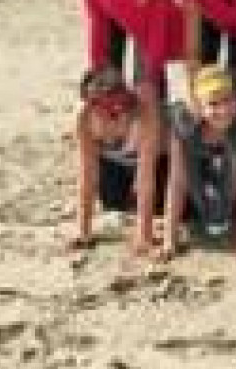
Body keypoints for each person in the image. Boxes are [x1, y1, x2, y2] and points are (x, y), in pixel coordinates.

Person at [160, 65, 236, 263]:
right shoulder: (183, 124)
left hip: (235, 184)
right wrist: (169, 240)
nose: (223, 110)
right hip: (200, 184)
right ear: (198, 107)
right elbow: (177, 183)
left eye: (228, 100)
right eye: (214, 104)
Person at [68, 66, 166, 257]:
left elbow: (146, 175)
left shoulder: (144, 110)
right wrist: (83, 230)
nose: (115, 114)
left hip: (158, 162)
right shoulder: (83, 117)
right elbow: (87, 174)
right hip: (116, 163)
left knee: (162, 207)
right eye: (101, 108)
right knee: (113, 202)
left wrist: (144, 235)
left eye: (119, 108)